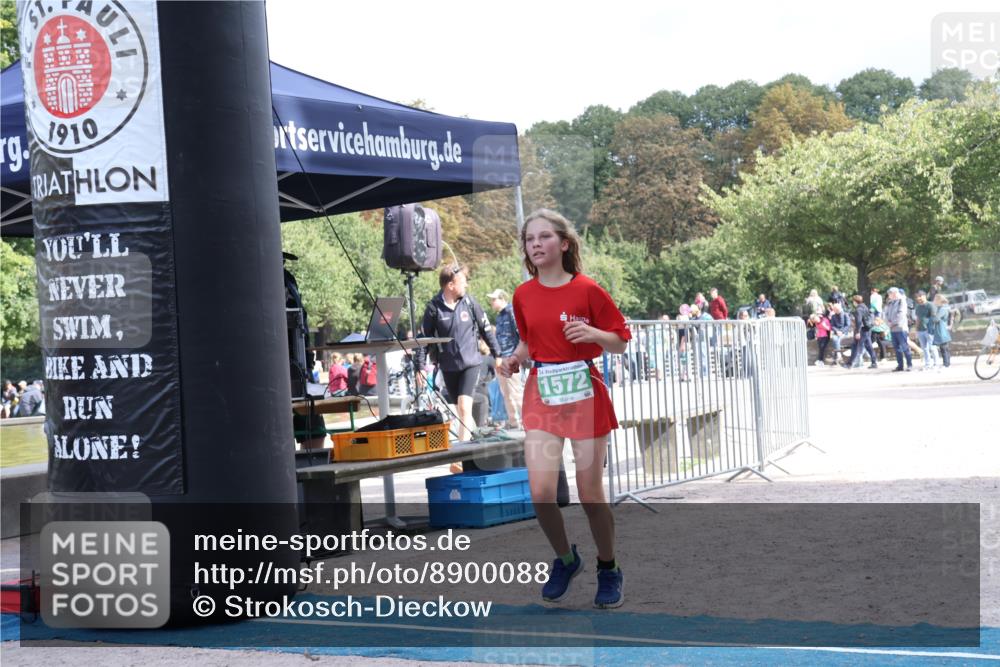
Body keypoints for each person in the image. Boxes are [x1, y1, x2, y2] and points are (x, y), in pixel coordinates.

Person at [499, 209, 629, 609]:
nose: (535, 244)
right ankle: (567, 559)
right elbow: (529, 341)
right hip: (542, 392)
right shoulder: (522, 294)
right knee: (540, 493)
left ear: (564, 243)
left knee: (590, 494)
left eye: (544, 237)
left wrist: (593, 333)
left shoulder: (587, 289)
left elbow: (621, 340)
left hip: (584, 394)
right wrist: (515, 358)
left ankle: (608, 568)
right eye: (529, 239)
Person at [417, 263, 501, 443]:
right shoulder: (433, 308)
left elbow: (486, 329)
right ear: (450, 285)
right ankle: (477, 443)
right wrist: (420, 366)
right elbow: (423, 339)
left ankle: (462, 455)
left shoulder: (470, 303)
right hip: (448, 366)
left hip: (471, 363)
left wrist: (497, 354)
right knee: (462, 412)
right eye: (462, 281)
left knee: (464, 407)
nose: (466, 285)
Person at [487, 288, 523, 430]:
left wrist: (518, 356)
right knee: (506, 393)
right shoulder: (500, 316)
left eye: (494, 299)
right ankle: (514, 422)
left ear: (502, 299)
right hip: (501, 358)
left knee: (515, 391)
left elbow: (519, 334)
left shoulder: (511, 312)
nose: (492, 302)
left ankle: (527, 421)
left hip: (511, 356)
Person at [884, 287, 913, 372]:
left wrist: (893, 323)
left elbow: (901, 314)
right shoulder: (890, 303)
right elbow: (885, 314)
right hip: (892, 329)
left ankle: (909, 365)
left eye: (890, 294)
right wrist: (888, 323)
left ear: (895, 293)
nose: (889, 295)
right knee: (897, 348)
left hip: (901, 328)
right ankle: (900, 365)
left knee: (905, 347)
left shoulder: (902, 301)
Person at [847, 295, 878, 369]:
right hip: (868, 329)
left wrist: (857, 332)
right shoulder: (865, 307)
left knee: (856, 346)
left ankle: (851, 363)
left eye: (853, 301)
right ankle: (874, 362)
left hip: (862, 330)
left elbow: (858, 321)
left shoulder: (858, 309)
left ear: (855, 302)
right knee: (869, 346)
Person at [913, 290, 939, 371]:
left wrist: (932, 328)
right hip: (920, 330)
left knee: (932, 347)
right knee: (924, 348)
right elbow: (917, 318)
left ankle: (936, 364)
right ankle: (928, 364)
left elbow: (934, 317)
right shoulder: (918, 307)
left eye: (920, 296)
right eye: (917, 297)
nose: (918, 298)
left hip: (929, 329)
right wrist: (916, 329)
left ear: (924, 296)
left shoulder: (930, 305)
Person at [932, 294, 952, 369]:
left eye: (935, 299)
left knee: (944, 348)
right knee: (943, 348)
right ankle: (946, 363)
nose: (933, 301)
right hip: (940, 330)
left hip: (942, 330)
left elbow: (936, 319)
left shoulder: (942, 309)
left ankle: (946, 364)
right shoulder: (940, 308)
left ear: (938, 301)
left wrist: (933, 315)